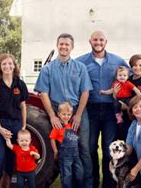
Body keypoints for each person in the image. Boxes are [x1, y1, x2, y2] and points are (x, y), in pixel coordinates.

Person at [35, 33, 93, 187]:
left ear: (72, 47)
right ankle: (67, 183)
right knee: (62, 149)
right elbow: (43, 93)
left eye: (67, 44)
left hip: (77, 111)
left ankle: (87, 184)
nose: (64, 47)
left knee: (83, 148)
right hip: (57, 111)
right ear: (57, 45)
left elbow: (85, 92)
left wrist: (79, 115)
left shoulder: (80, 68)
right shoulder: (48, 69)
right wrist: (53, 116)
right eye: (61, 44)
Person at [77, 30, 129, 188]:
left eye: (101, 40)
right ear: (90, 41)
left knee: (109, 148)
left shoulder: (117, 61)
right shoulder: (80, 62)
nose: (98, 42)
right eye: (95, 40)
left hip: (110, 110)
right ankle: (93, 182)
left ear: (106, 41)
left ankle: (108, 183)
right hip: (90, 109)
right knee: (90, 147)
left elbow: (130, 76)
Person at [0, 54, 29, 187]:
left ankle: (7, 184)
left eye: (10, 63)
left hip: (16, 124)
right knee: (0, 155)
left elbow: (23, 106)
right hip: (0, 123)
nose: (7, 66)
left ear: (14, 66)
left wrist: (23, 126)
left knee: (12, 156)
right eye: (4, 64)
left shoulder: (20, 84)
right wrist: (0, 128)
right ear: (0, 67)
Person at [117, 54, 141, 139]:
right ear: (131, 67)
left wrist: (127, 106)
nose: (137, 67)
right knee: (127, 142)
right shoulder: (128, 80)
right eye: (135, 65)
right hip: (127, 118)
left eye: (140, 65)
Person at [50, 102, 84, 188]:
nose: (66, 116)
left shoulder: (72, 126)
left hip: (76, 155)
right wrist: (55, 151)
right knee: (66, 176)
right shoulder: (58, 127)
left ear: (71, 115)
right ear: (59, 114)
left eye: (68, 114)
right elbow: (52, 139)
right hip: (65, 156)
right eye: (64, 114)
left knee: (80, 174)